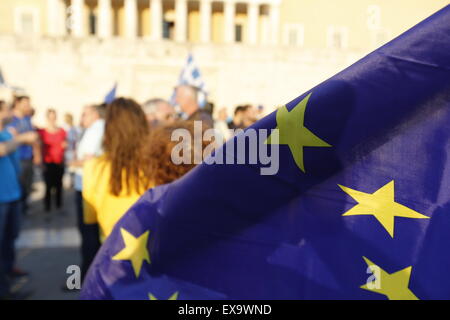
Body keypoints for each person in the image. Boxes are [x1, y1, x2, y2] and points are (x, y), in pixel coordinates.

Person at [83, 98, 153, 241]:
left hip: (113, 249)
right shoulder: (155, 163)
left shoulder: (94, 167)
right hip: (154, 248)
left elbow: (90, 217)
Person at [0, 101, 37, 299]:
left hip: (12, 194)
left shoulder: (8, 132)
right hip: (1, 198)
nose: (10, 113)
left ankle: (8, 270)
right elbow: (2, 150)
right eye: (6, 110)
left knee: (10, 238)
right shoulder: (11, 136)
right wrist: (22, 138)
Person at [69, 103, 105, 280]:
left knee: (89, 234)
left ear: (94, 115)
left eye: (85, 114)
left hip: (87, 186)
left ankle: (86, 276)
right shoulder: (95, 129)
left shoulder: (96, 130)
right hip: (88, 185)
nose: (81, 118)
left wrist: (72, 163)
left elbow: (88, 159)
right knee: (90, 234)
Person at [6, 96, 41, 215]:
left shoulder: (27, 119)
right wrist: (25, 138)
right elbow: (10, 139)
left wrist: (37, 154)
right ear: (17, 103)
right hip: (16, 158)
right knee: (17, 185)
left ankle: (24, 210)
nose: (28, 106)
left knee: (27, 185)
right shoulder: (10, 119)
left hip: (28, 157)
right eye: (25, 103)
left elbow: (33, 137)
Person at [37, 109, 67, 217]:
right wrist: (40, 162)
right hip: (48, 162)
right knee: (48, 186)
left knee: (59, 185)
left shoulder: (62, 131)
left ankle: (59, 206)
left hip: (59, 162)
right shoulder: (42, 132)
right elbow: (39, 147)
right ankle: (47, 208)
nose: (52, 120)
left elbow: (65, 144)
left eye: (54, 117)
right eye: (50, 117)